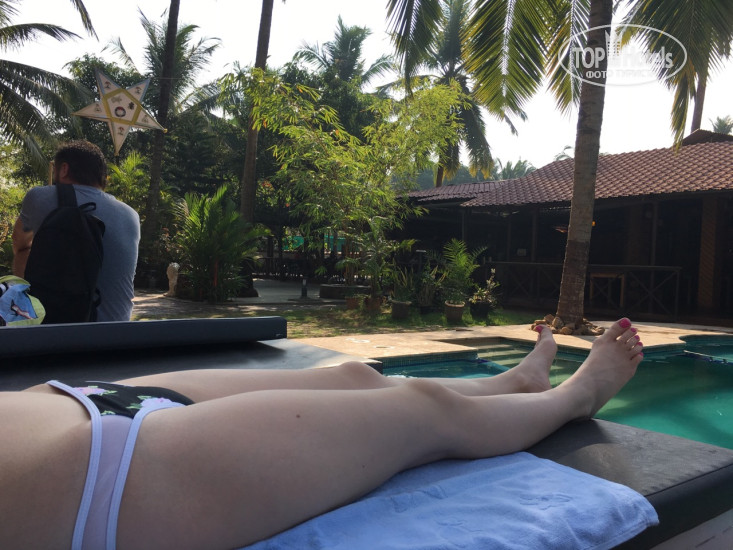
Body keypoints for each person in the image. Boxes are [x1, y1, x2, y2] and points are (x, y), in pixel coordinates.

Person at [0, 318, 644, 549]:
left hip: (73, 404)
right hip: (109, 480)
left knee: (356, 375)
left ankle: (515, 383)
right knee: (423, 410)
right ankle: (574, 397)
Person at [11, 140, 140, 322]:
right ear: (102, 176)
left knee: (24, 250)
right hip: (115, 333)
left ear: (64, 169)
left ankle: (25, 309)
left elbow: (19, 243)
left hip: (54, 332)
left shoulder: (39, 197)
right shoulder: (130, 215)